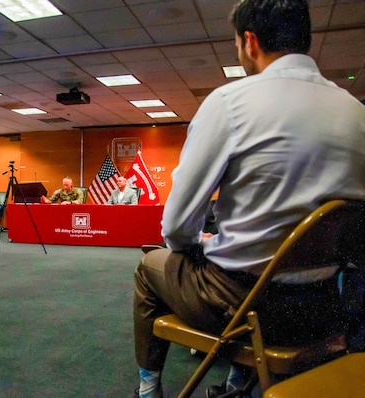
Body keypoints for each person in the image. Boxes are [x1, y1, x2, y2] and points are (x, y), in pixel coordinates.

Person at [132, 1, 365, 397]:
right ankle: (240, 378)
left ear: (250, 41)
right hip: (322, 309)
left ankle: (148, 389)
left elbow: (175, 227)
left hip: (247, 307)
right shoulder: (356, 113)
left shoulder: (230, 103)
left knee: (150, 266)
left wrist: (198, 248)